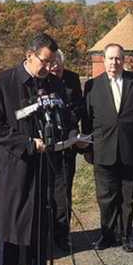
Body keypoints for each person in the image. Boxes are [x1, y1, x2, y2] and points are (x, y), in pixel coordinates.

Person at [0, 33, 78, 265]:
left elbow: (66, 116)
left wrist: (69, 133)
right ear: (29, 55)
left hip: (44, 169)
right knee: (11, 234)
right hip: (14, 172)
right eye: (45, 61)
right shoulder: (3, 82)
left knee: (39, 230)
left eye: (52, 62)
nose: (49, 67)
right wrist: (26, 144)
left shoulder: (54, 84)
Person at [83, 43, 133, 253]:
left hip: (130, 149)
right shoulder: (92, 86)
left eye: (118, 58)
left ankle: (126, 235)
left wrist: (128, 127)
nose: (114, 62)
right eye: (110, 58)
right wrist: (88, 147)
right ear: (104, 60)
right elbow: (87, 119)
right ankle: (107, 235)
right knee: (105, 197)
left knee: (128, 196)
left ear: (124, 60)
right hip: (103, 149)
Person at [48, 49, 84, 249]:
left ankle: (62, 236)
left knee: (63, 193)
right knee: (46, 192)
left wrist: (71, 124)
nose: (55, 69)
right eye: (52, 65)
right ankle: (46, 233)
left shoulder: (72, 79)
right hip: (46, 145)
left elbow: (79, 106)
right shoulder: (42, 80)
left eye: (58, 65)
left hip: (67, 144)